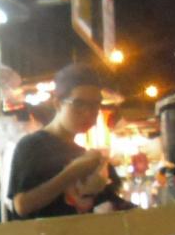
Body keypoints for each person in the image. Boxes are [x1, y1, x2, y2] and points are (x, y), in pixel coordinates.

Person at [7, 64, 108, 219]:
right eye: (79, 104)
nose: (89, 113)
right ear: (58, 103)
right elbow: (21, 205)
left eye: (95, 105)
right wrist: (72, 172)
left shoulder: (81, 153)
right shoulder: (32, 145)